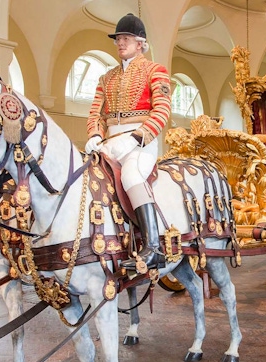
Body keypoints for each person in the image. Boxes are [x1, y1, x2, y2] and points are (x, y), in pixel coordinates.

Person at [85, 13, 172, 271]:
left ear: (140, 43)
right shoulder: (106, 78)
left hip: (140, 140)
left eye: (126, 38)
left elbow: (162, 110)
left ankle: (153, 246)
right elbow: (95, 113)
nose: (120, 43)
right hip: (110, 140)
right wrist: (94, 134)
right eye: (118, 39)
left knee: (132, 176)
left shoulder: (156, 71)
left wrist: (138, 137)